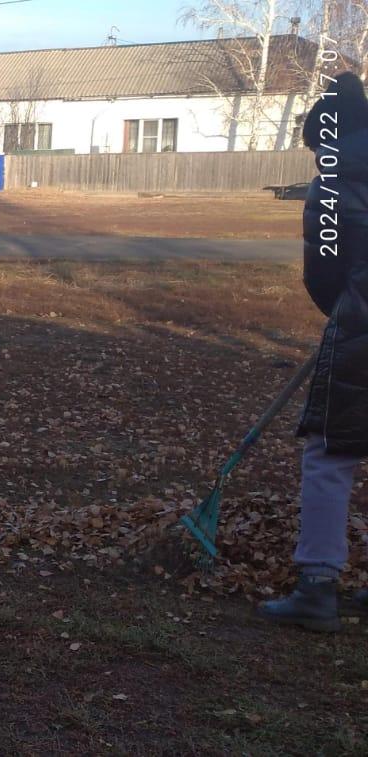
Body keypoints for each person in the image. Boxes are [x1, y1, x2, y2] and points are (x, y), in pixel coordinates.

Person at [258, 72, 368, 632]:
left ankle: (318, 585)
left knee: (331, 453)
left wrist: (344, 318)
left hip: (362, 330)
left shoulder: (332, 184)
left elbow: (324, 273)